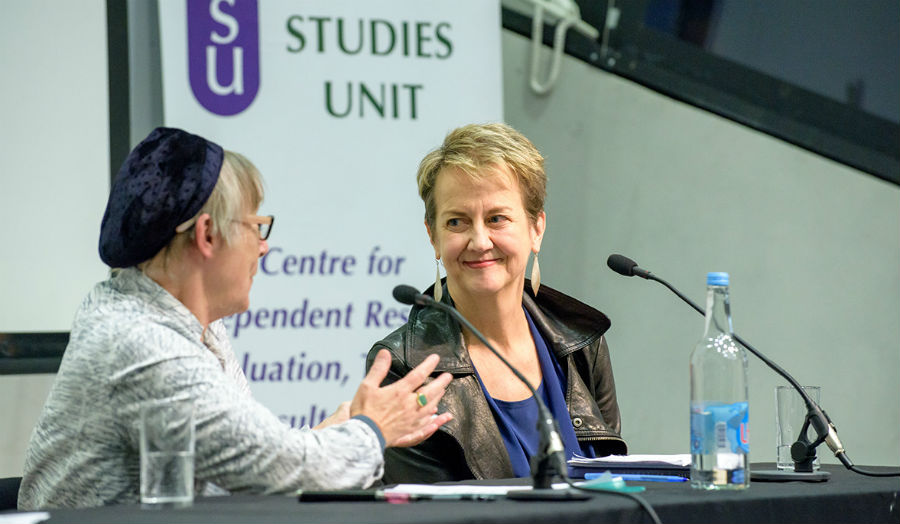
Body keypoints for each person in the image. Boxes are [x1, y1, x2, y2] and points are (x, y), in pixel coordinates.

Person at [18, 127, 452, 509]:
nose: (263, 247)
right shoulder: (141, 343)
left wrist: (346, 426)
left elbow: (254, 463)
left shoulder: (191, 323)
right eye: (255, 227)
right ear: (207, 234)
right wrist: (373, 429)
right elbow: (282, 471)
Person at [366, 123, 627, 483]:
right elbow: (428, 509)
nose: (479, 241)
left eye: (496, 219)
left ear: (536, 229)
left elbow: (614, 482)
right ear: (433, 237)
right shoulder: (406, 367)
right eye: (456, 221)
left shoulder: (581, 344)